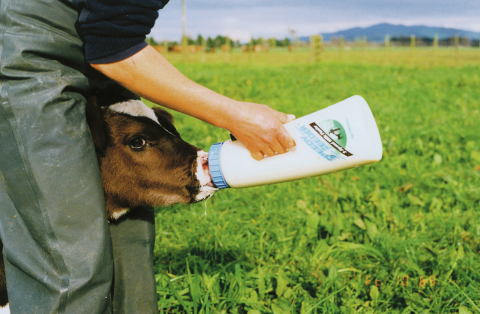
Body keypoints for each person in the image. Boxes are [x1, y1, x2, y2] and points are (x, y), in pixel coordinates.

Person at [0, 0, 295, 313]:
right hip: (35, 56)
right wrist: (234, 114)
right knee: (67, 259)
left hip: (97, 56)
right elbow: (112, 46)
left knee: (130, 254)